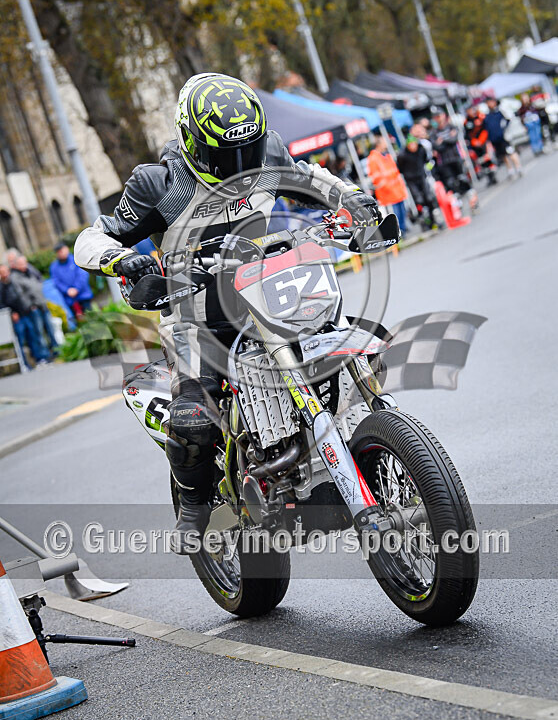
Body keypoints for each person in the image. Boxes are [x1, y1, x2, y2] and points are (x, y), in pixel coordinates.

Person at [73, 72, 380, 553]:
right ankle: (195, 502)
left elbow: (311, 180)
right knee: (195, 416)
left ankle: (378, 444)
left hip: (271, 293)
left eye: (248, 150)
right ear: (192, 141)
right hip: (199, 318)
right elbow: (93, 237)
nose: (240, 163)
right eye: (225, 154)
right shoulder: (161, 184)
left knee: (354, 346)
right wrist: (124, 259)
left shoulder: (270, 152)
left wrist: (354, 201)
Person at [0, 263, 50, 369]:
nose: (5, 274)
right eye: (2, 272)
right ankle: (25, 365)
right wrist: (12, 312)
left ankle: (40, 360)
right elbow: (3, 303)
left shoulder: (14, 281)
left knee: (33, 336)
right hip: (16, 317)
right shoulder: (1, 287)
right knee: (20, 341)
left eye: (5, 271)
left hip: (26, 312)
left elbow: (24, 294)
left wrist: (30, 305)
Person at [11, 254, 59, 354]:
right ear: (16, 265)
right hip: (33, 308)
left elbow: (39, 280)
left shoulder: (30, 271)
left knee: (50, 329)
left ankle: (56, 350)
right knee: (39, 332)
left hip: (42, 304)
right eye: (21, 264)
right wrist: (30, 306)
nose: (24, 265)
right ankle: (44, 355)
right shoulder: (15, 277)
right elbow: (20, 295)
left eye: (25, 263)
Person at [366, 135, 408, 234]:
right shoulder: (373, 159)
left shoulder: (386, 155)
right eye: (385, 141)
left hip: (396, 189)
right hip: (388, 191)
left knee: (402, 211)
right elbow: (376, 177)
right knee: (395, 214)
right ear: (379, 144)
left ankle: (403, 229)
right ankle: (399, 232)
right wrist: (386, 184)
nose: (387, 143)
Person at [397, 136, 437, 228]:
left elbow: (426, 160)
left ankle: (433, 219)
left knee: (429, 198)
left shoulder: (421, 150)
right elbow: (400, 168)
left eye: (414, 144)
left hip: (421, 176)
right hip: (411, 179)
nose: (413, 147)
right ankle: (423, 220)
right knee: (419, 200)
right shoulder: (403, 155)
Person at [430, 110, 471, 195]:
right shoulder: (433, 133)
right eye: (436, 117)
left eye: (439, 116)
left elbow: (454, 140)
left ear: (444, 115)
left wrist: (443, 140)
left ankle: (470, 195)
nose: (438, 119)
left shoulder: (451, 127)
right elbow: (436, 147)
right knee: (450, 182)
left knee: (462, 178)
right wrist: (448, 138)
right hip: (444, 161)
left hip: (456, 157)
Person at [50, 243, 93, 318]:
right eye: (59, 252)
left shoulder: (76, 260)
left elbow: (82, 275)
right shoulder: (54, 267)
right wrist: (67, 290)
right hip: (69, 300)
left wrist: (76, 289)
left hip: (83, 296)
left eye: (62, 250)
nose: (61, 253)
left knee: (91, 318)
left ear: (66, 249)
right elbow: (56, 281)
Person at [484, 97, 522, 178]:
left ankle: (518, 167)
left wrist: (504, 131)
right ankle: (510, 169)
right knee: (503, 155)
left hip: (504, 138)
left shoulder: (501, 111)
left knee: (511, 152)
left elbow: (508, 120)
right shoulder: (488, 116)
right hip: (495, 139)